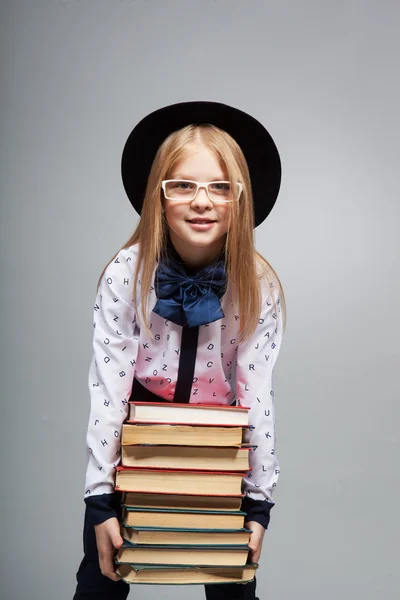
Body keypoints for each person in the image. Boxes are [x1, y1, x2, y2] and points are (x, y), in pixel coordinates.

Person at [73, 100, 287, 600]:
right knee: (99, 581)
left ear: (240, 199)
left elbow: (257, 395)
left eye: (219, 187)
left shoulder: (259, 283)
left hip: (221, 453)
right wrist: (100, 500)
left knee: (233, 588)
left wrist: (258, 505)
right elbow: (108, 390)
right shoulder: (127, 273)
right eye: (183, 185)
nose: (201, 201)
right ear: (158, 196)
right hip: (136, 447)